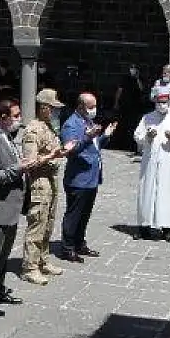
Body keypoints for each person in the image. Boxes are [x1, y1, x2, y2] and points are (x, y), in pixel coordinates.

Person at [0, 99, 50, 317]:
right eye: (15, 116)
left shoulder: (5, 136)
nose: (18, 120)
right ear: (3, 117)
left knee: (3, 255)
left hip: (11, 208)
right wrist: (19, 168)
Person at [20, 88, 72, 285]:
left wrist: (60, 152)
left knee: (48, 223)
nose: (56, 112)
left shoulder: (49, 127)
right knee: (37, 223)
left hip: (51, 179)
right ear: (43, 108)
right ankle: (30, 267)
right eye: (53, 108)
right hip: (39, 182)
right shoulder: (33, 130)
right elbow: (29, 162)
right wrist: (52, 156)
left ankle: (43, 259)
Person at [59, 92, 116, 263]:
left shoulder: (87, 120)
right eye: (90, 107)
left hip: (91, 177)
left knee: (85, 214)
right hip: (79, 177)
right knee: (74, 214)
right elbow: (71, 149)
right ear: (80, 106)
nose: (94, 110)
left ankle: (79, 242)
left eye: (94, 106)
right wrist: (87, 136)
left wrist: (105, 135)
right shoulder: (71, 124)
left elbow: (95, 146)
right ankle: (68, 247)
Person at [134, 92, 170, 242]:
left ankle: (167, 228)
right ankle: (144, 226)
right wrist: (148, 137)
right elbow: (137, 136)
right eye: (159, 102)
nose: (162, 105)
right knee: (147, 191)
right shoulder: (147, 118)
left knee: (168, 192)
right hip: (150, 159)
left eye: (164, 102)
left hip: (168, 159)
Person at [113, 63, 147, 154]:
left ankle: (132, 146)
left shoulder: (140, 79)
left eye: (134, 68)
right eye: (131, 68)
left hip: (135, 106)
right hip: (124, 105)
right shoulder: (125, 78)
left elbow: (142, 89)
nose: (132, 70)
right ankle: (120, 145)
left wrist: (137, 78)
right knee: (123, 125)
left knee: (133, 126)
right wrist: (116, 103)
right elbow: (119, 91)